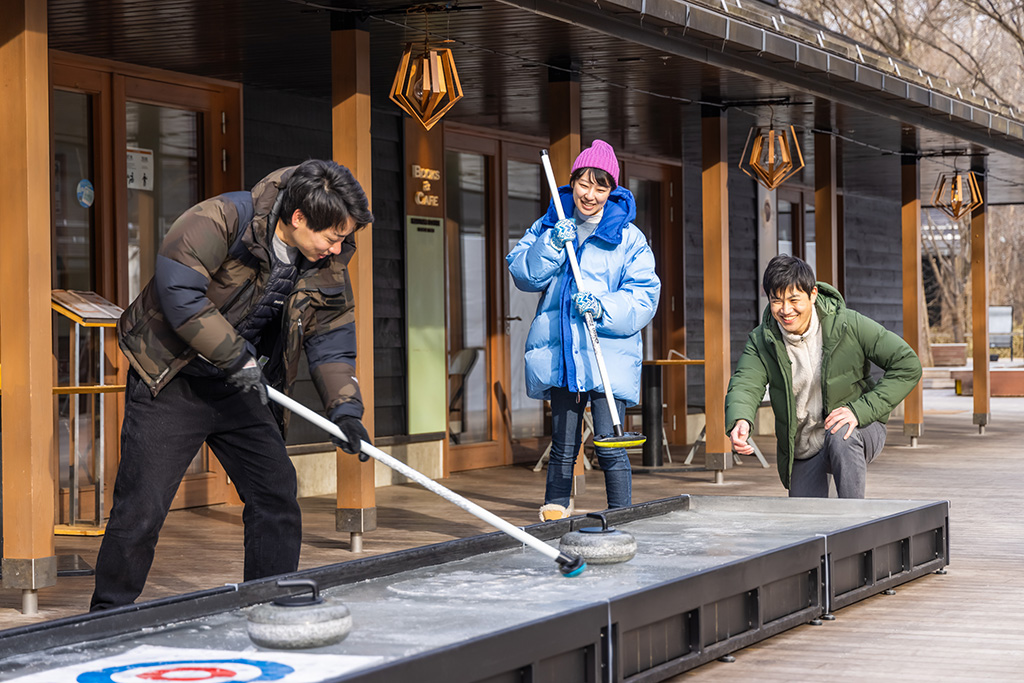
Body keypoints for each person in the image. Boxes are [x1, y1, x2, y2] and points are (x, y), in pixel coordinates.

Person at [91, 159, 374, 610]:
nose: (338, 248)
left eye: (344, 238)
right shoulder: (220, 220)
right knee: (142, 508)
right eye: (332, 237)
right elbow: (180, 294)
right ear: (299, 217)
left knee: (275, 492)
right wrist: (235, 356)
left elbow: (331, 340)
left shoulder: (327, 265)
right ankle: (107, 616)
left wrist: (346, 411)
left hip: (241, 384)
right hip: (174, 378)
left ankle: (269, 603)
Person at [507, 140, 660, 521]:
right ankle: (556, 509)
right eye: (584, 184)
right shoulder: (549, 224)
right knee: (563, 441)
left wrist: (603, 306)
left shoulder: (627, 237)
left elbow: (643, 296)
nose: (590, 195)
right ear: (572, 182)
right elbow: (523, 274)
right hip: (563, 350)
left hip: (607, 353)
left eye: (600, 187)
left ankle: (620, 514)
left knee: (610, 443)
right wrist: (551, 243)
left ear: (612, 191)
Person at [725, 254, 922, 498]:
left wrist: (860, 410)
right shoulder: (762, 340)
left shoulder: (849, 324)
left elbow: (908, 364)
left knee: (842, 434)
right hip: (805, 441)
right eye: (777, 301)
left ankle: (853, 515)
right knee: (806, 517)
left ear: (813, 294)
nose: (785, 310)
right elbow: (745, 383)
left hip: (859, 427)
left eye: (794, 300)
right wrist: (741, 420)